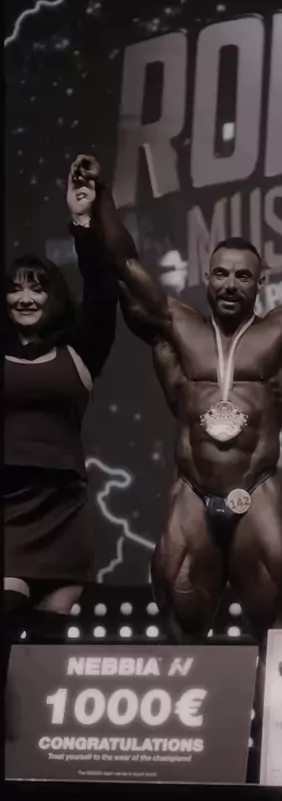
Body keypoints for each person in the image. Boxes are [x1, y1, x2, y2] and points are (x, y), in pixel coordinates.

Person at [74, 153, 282, 643]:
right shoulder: (175, 327)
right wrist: (103, 198)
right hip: (192, 491)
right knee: (182, 630)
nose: (230, 284)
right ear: (207, 277)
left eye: (243, 276)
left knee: (275, 631)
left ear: (260, 283)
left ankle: (267, 697)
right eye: (221, 273)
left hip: (256, 487)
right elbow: (125, 263)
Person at [3, 165, 118, 641]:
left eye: (37, 287)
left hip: (62, 508)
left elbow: (102, 293)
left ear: (54, 296)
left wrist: (83, 222)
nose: (25, 297)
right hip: (7, 506)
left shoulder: (79, 351)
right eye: (15, 287)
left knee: (48, 638)